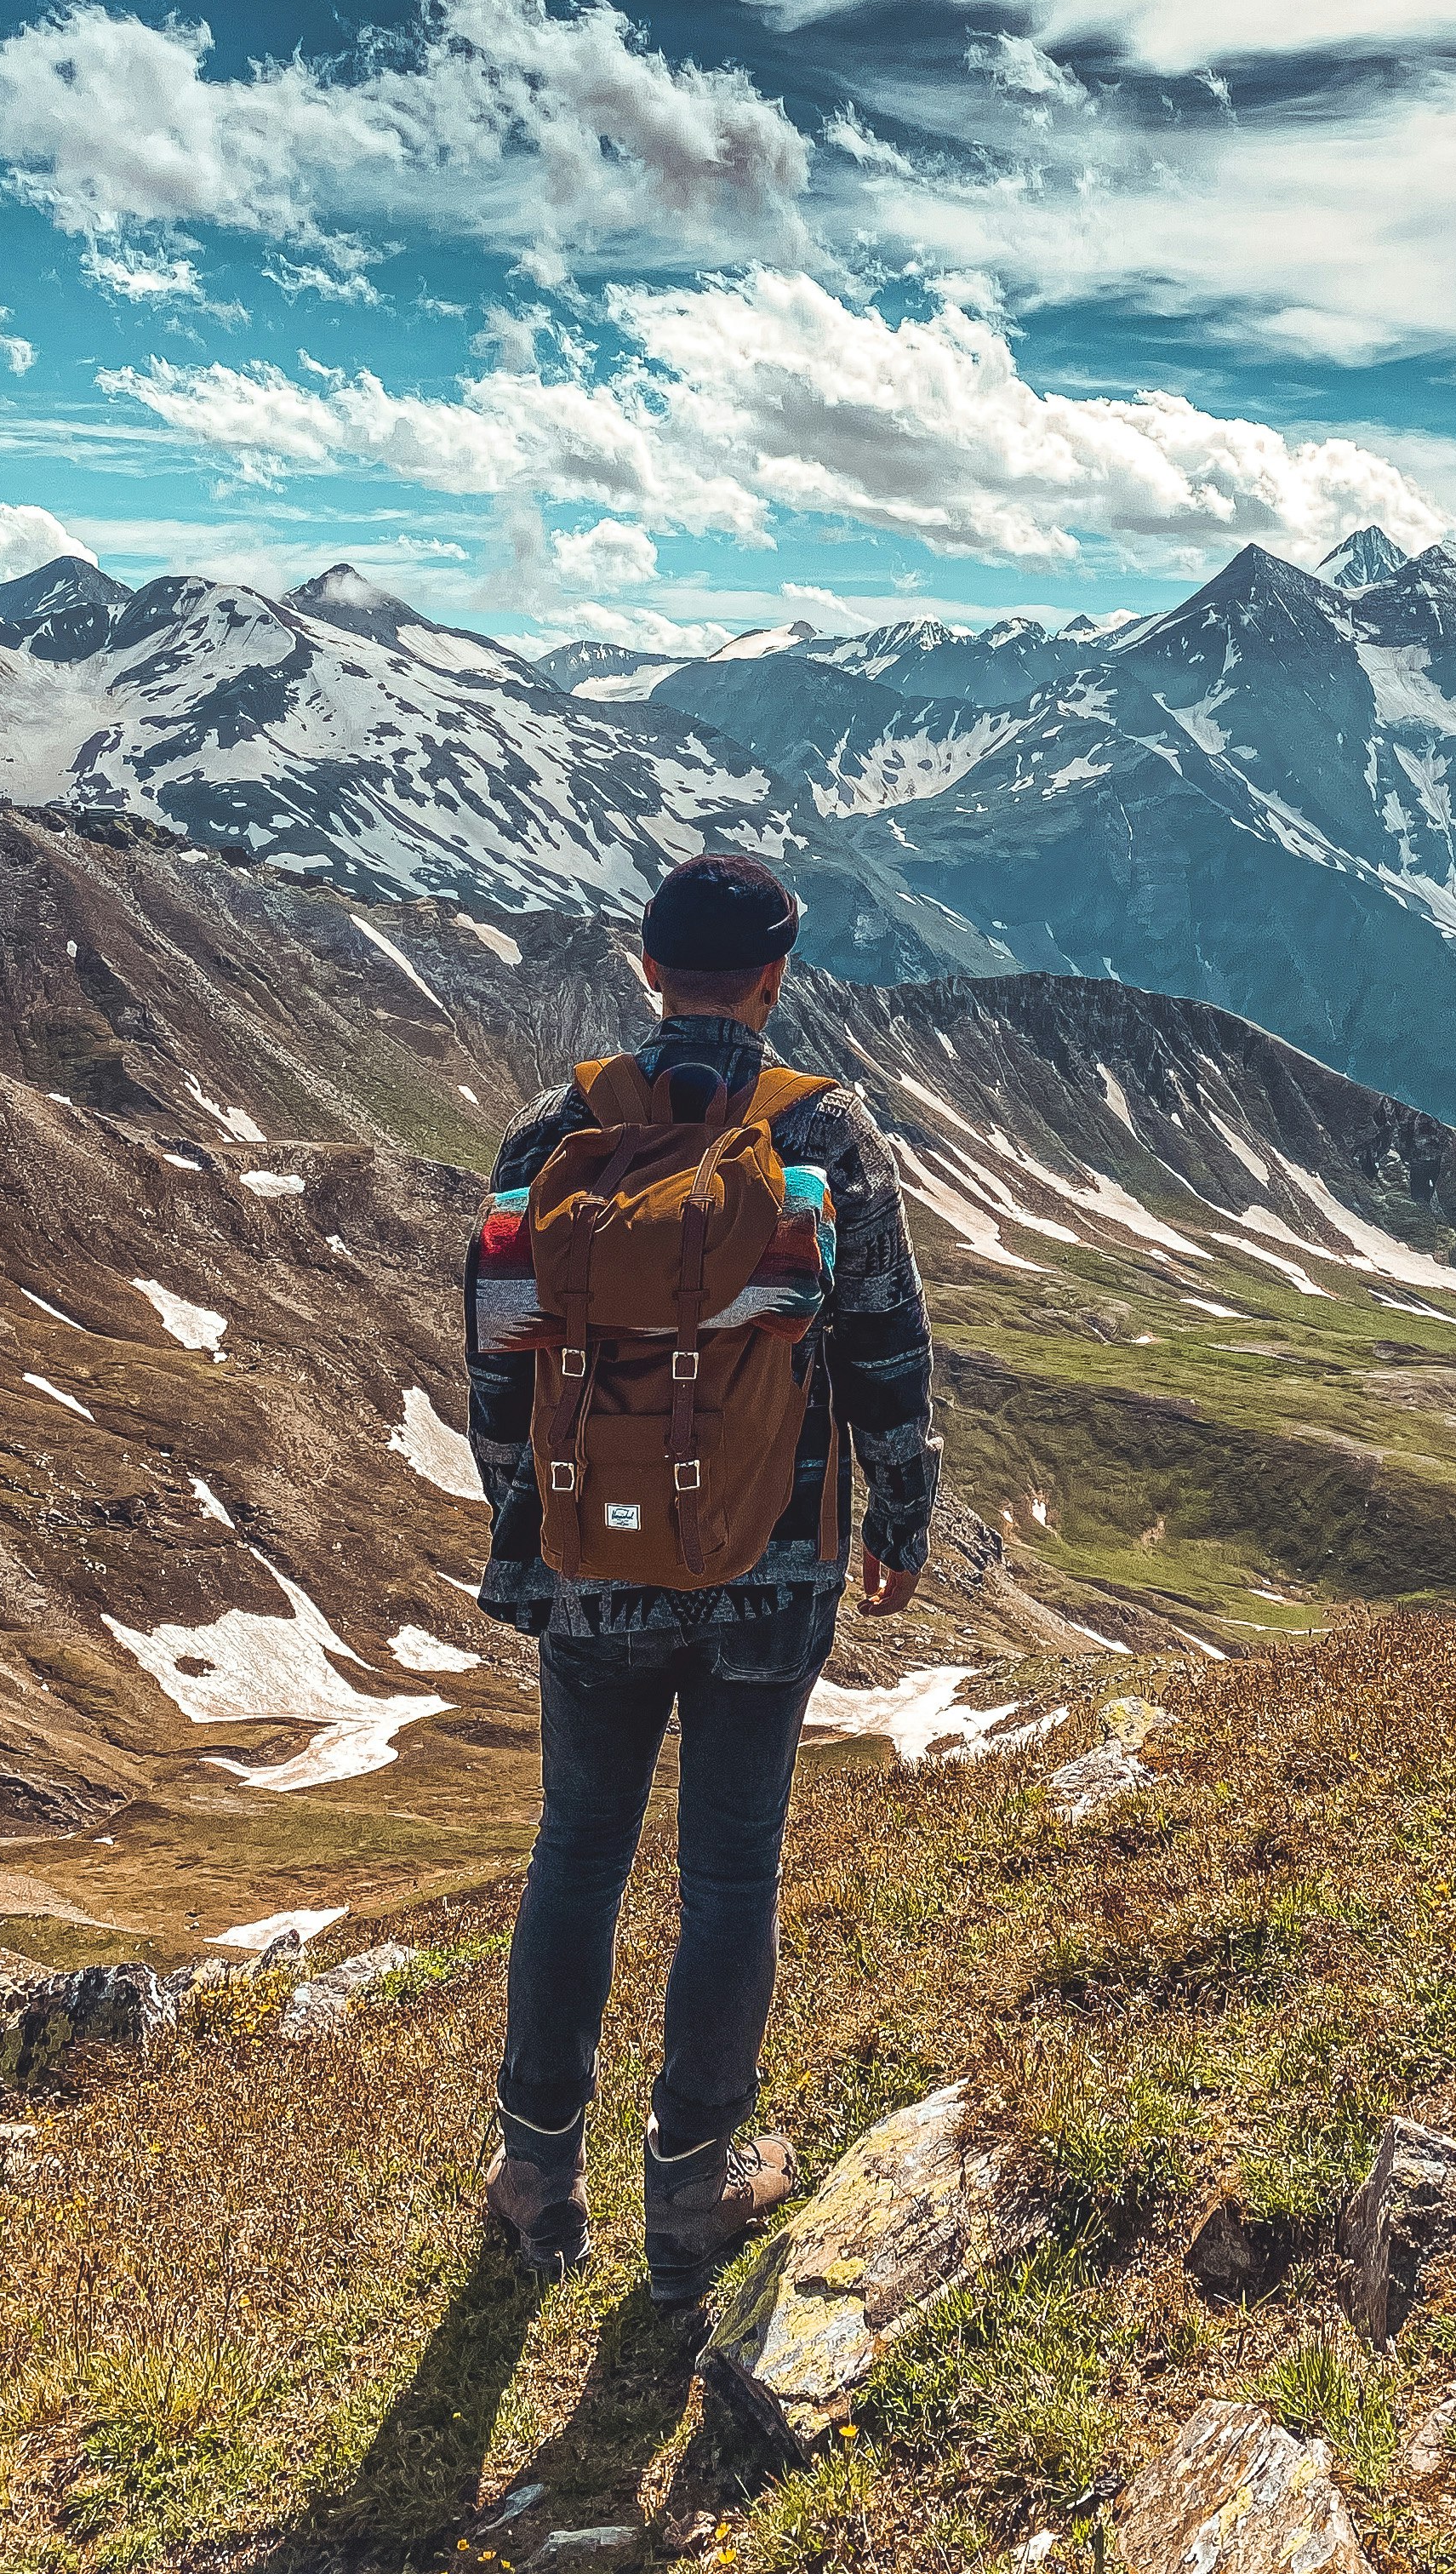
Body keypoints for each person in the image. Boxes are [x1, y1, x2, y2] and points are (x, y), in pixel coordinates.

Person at [464, 849, 937, 2303]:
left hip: (590, 1578)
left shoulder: (549, 1137)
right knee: (729, 1868)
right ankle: (695, 2188)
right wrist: (898, 1519)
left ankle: (539, 2175)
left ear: (649, 969)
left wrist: (529, 1532)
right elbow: (882, 1347)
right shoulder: (824, 1138)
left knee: (577, 1855)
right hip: (769, 1567)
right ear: (778, 978)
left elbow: (498, 1357)